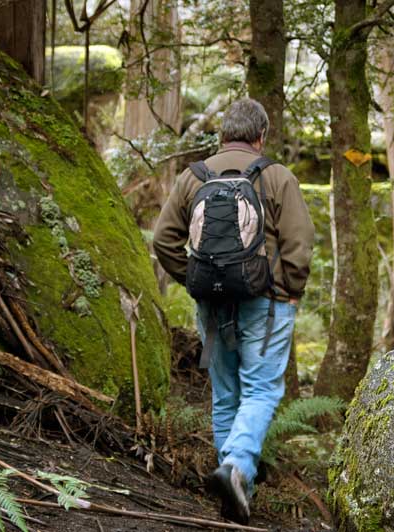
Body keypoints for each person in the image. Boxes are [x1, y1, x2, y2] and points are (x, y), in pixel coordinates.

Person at [153, 98, 315, 524]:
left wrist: (194, 280)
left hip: (210, 302)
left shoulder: (193, 178)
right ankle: (238, 468)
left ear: (222, 135)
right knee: (262, 390)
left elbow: (163, 240)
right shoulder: (277, 177)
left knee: (225, 395)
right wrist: (289, 290)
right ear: (261, 136)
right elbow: (299, 242)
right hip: (266, 303)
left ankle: (231, 495)